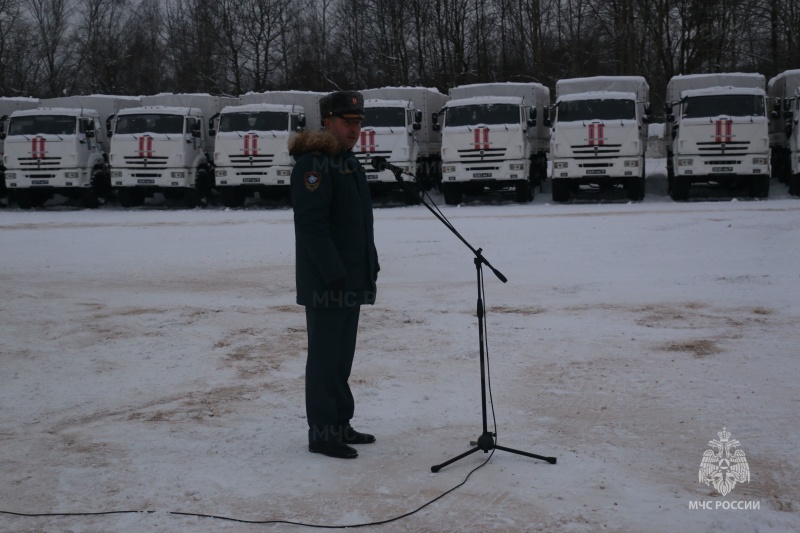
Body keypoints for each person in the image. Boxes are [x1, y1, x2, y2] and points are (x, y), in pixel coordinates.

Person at [288, 91, 380, 459]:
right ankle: (322, 433)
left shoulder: (346, 163)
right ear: (328, 122)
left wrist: (368, 263)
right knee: (325, 358)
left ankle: (340, 424)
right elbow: (312, 227)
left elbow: (358, 223)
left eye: (358, 122)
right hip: (328, 283)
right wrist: (333, 274)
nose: (355, 129)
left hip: (351, 278)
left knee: (342, 358)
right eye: (348, 122)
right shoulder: (314, 164)